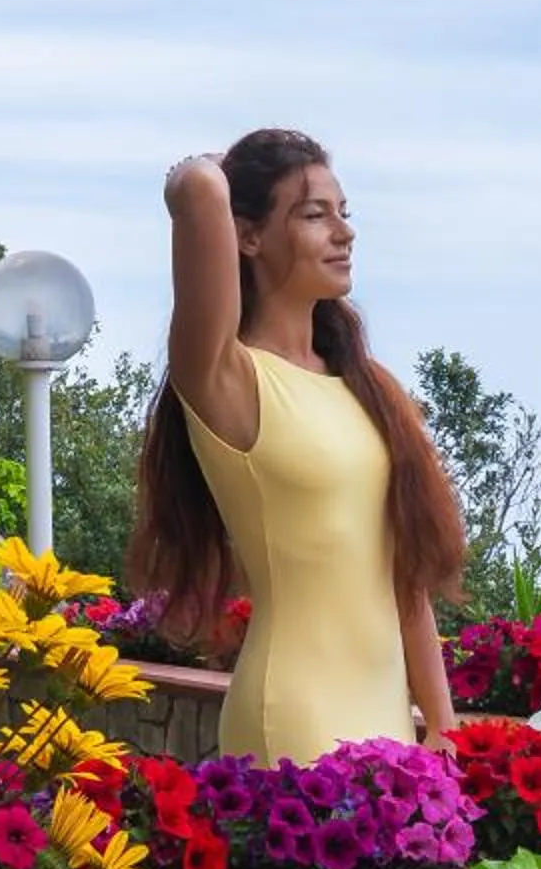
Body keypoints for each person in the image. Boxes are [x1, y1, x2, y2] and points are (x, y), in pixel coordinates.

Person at [126, 129, 465, 767]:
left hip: (387, 716)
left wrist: (442, 727)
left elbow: (404, 573)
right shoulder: (230, 379)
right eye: (314, 215)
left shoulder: (366, 388)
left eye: (344, 212)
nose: (344, 232)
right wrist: (221, 169)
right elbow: (196, 190)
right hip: (294, 714)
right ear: (247, 237)